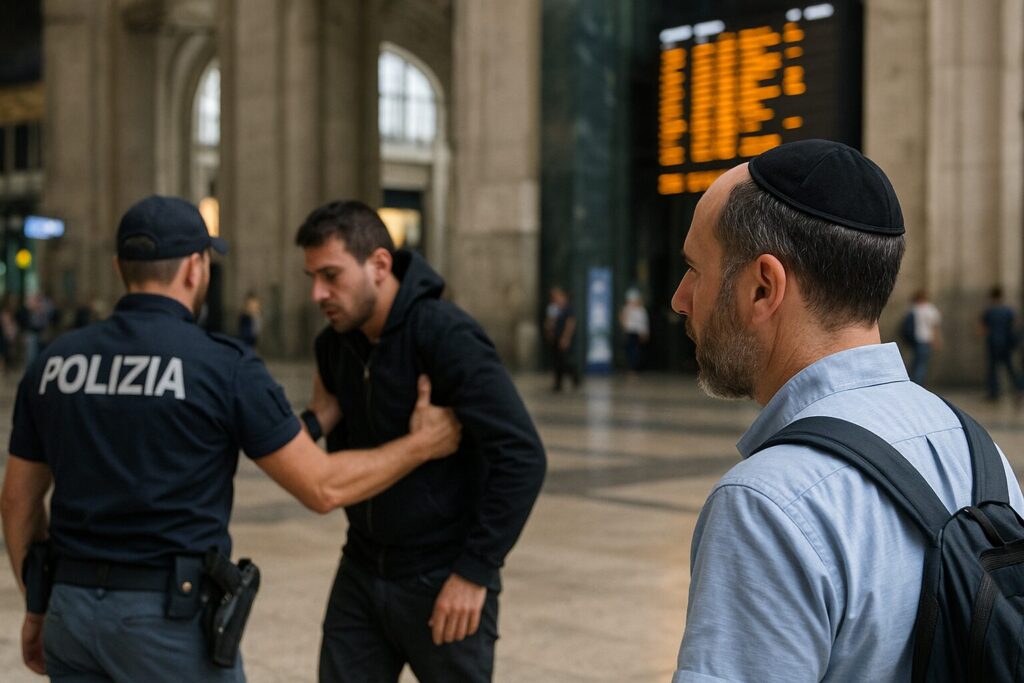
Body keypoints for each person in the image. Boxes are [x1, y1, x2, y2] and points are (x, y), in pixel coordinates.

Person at [1, 195, 462, 683]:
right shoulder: (222, 366)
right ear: (196, 269)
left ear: (120, 267)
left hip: (71, 615)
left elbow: (17, 501)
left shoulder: (54, 363)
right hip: (166, 623)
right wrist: (422, 444)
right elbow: (322, 487)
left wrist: (38, 603)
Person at [669, 140, 1024, 680]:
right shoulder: (981, 453)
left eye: (695, 269)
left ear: (763, 287)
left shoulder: (767, 504)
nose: (680, 297)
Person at [295, 200, 546, 683]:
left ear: (380, 265)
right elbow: (325, 423)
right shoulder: (334, 343)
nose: (317, 293)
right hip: (361, 566)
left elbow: (523, 456)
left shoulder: (444, 333)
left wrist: (475, 572)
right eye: (312, 277)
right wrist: (305, 424)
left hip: (443, 574)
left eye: (330, 275)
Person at [979, 285, 1023, 401]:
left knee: (993, 369)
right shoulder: (1008, 310)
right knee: (1010, 368)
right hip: (1006, 344)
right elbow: (1014, 325)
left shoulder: (989, 311)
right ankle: (1019, 389)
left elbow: (983, 329)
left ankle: (994, 393)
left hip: (993, 343)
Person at [543, 285, 580, 391]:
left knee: (565, 360)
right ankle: (558, 383)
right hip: (555, 337)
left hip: (563, 338)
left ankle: (575, 377)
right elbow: (550, 322)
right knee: (556, 361)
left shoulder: (568, 308)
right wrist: (548, 331)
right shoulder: (553, 308)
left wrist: (565, 338)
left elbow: (570, 323)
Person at [907, 289, 942, 385]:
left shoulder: (913, 309)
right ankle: (918, 384)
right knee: (921, 364)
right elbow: (935, 326)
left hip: (916, 339)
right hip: (926, 339)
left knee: (916, 363)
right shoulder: (930, 309)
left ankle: (913, 383)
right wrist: (937, 339)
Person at [619, 287, 650, 374]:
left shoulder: (641, 310)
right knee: (629, 350)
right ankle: (630, 367)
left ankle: (635, 368)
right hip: (629, 331)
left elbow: (644, 322)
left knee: (636, 351)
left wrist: (645, 332)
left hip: (638, 332)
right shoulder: (627, 308)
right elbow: (623, 319)